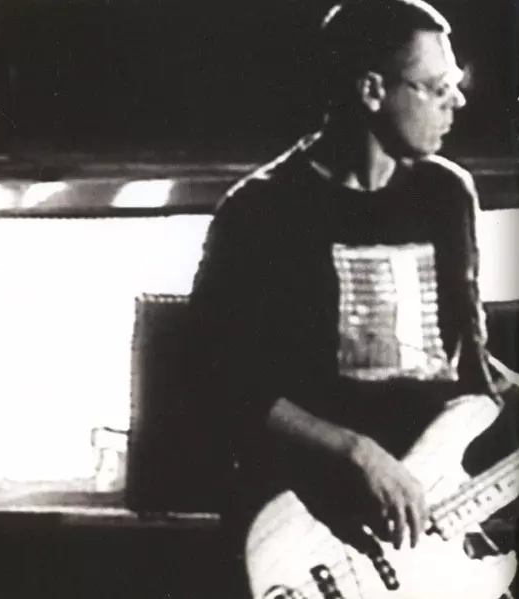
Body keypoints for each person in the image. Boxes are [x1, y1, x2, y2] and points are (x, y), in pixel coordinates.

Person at [188, 0, 516, 595]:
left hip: (427, 520)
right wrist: (357, 452)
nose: (457, 102)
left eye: (455, 85)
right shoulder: (261, 209)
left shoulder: (449, 195)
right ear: (372, 90)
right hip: (308, 529)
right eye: (436, 87)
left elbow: (464, 366)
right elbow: (220, 383)